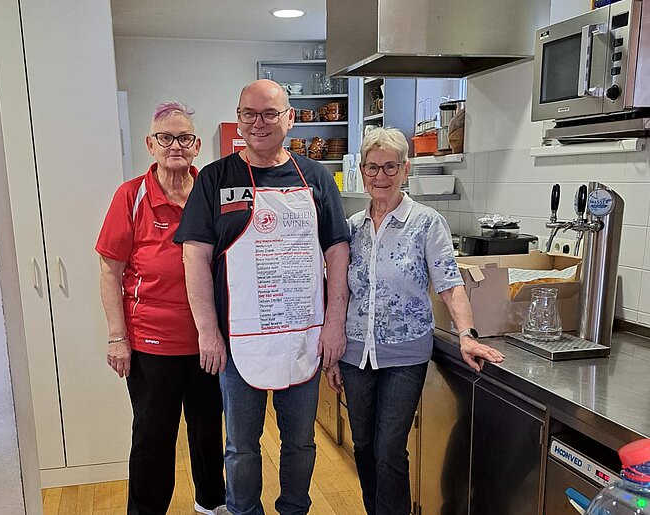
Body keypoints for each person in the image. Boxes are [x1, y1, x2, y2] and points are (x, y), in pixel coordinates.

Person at [174, 79, 350, 515]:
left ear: (289, 118)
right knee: (240, 446)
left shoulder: (316, 178)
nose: (259, 123)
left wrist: (334, 324)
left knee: (301, 442)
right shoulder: (215, 179)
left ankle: (294, 509)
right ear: (238, 119)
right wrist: (207, 332)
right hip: (239, 340)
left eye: (270, 113)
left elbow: (337, 253)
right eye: (249, 114)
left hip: (303, 335)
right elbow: (194, 258)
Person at [324, 127, 505, 515]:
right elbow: (338, 292)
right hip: (355, 354)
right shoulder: (352, 228)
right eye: (373, 167)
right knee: (363, 446)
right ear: (362, 170)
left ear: (405, 170)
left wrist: (466, 334)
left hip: (404, 357)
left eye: (390, 166)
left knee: (389, 449)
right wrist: (332, 352)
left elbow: (450, 284)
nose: (381, 176)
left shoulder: (426, 223)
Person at [96, 102, 227, 515]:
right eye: (166, 138)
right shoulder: (131, 195)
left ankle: (211, 504)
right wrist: (117, 338)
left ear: (197, 146)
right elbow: (109, 269)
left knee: (208, 432)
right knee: (153, 438)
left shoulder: (211, 193)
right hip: (152, 343)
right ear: (150, 144)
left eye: (184, 138)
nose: (175, 146)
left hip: (209, 341)